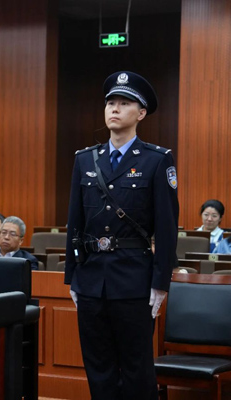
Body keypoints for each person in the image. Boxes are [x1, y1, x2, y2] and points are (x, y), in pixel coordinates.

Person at [64, 71, 179, 400]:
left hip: (134, 280)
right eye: (110, 103)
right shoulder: (85, 159)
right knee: (98, 368)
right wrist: (72, 276)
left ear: (141, 113)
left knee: (136, 369)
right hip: (91, 280)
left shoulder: (157, 160)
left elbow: (167, 226)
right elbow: (75, 221)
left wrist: (161, 282)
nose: (114, 109)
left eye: (124, 103)